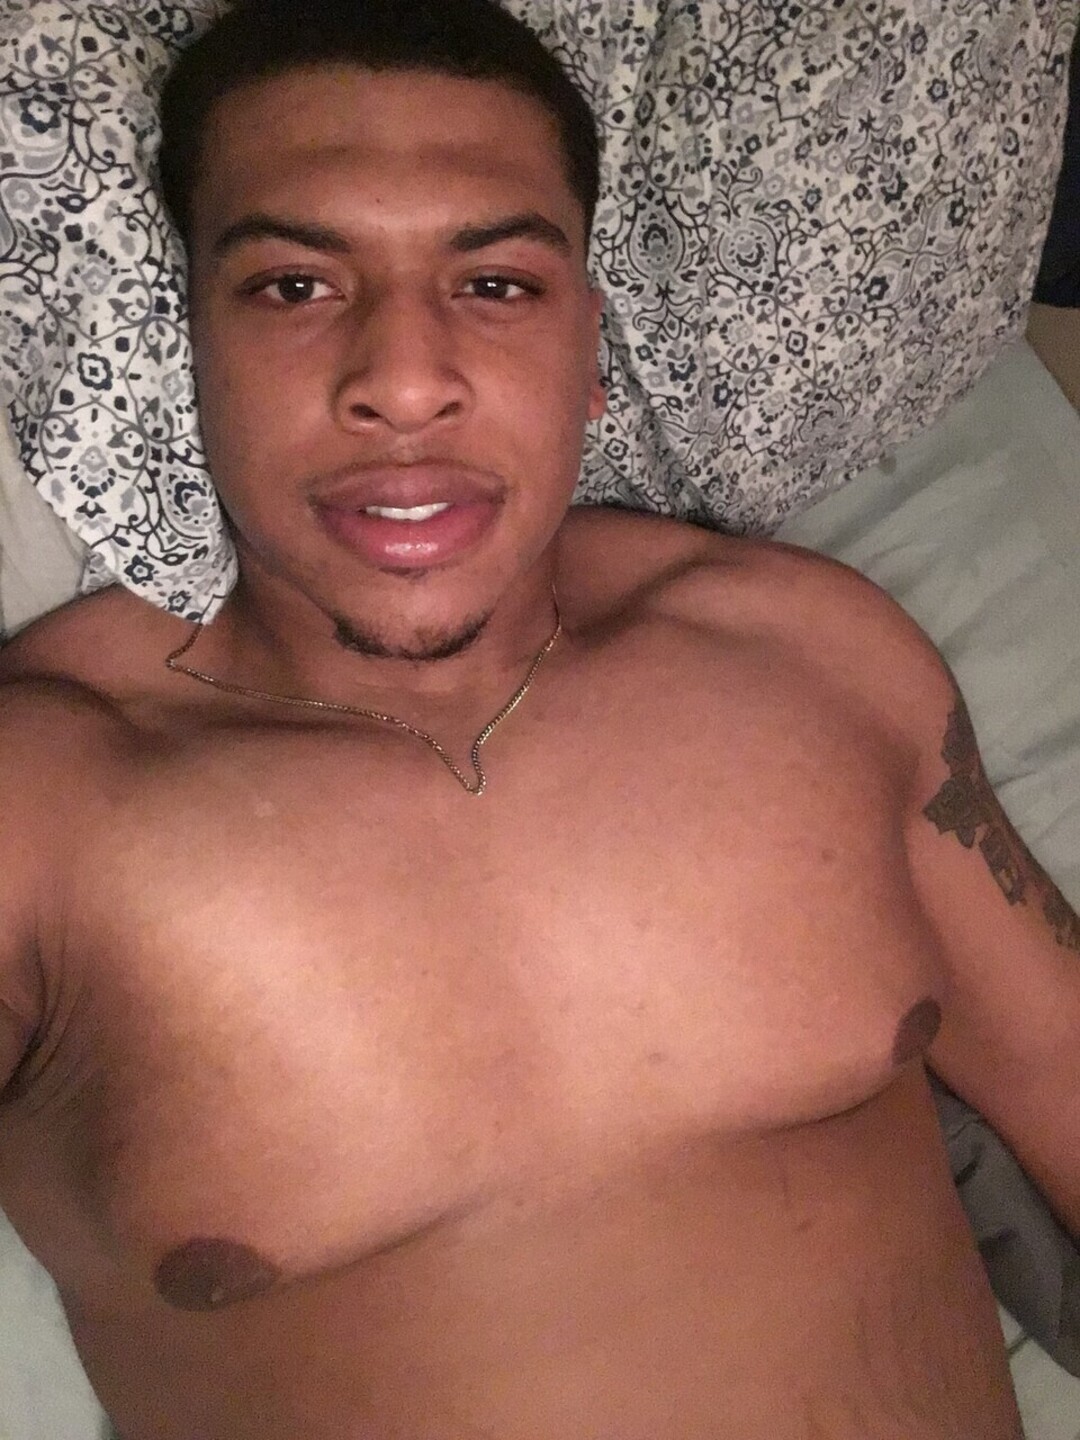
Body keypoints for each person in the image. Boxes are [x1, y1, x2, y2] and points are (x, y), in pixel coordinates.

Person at [0, 0, 1076, 1434]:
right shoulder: (49, 804)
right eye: (294, 287)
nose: (403, 384)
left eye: (497, 284)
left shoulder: (814, 660)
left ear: (592, 351)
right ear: (190, 341)